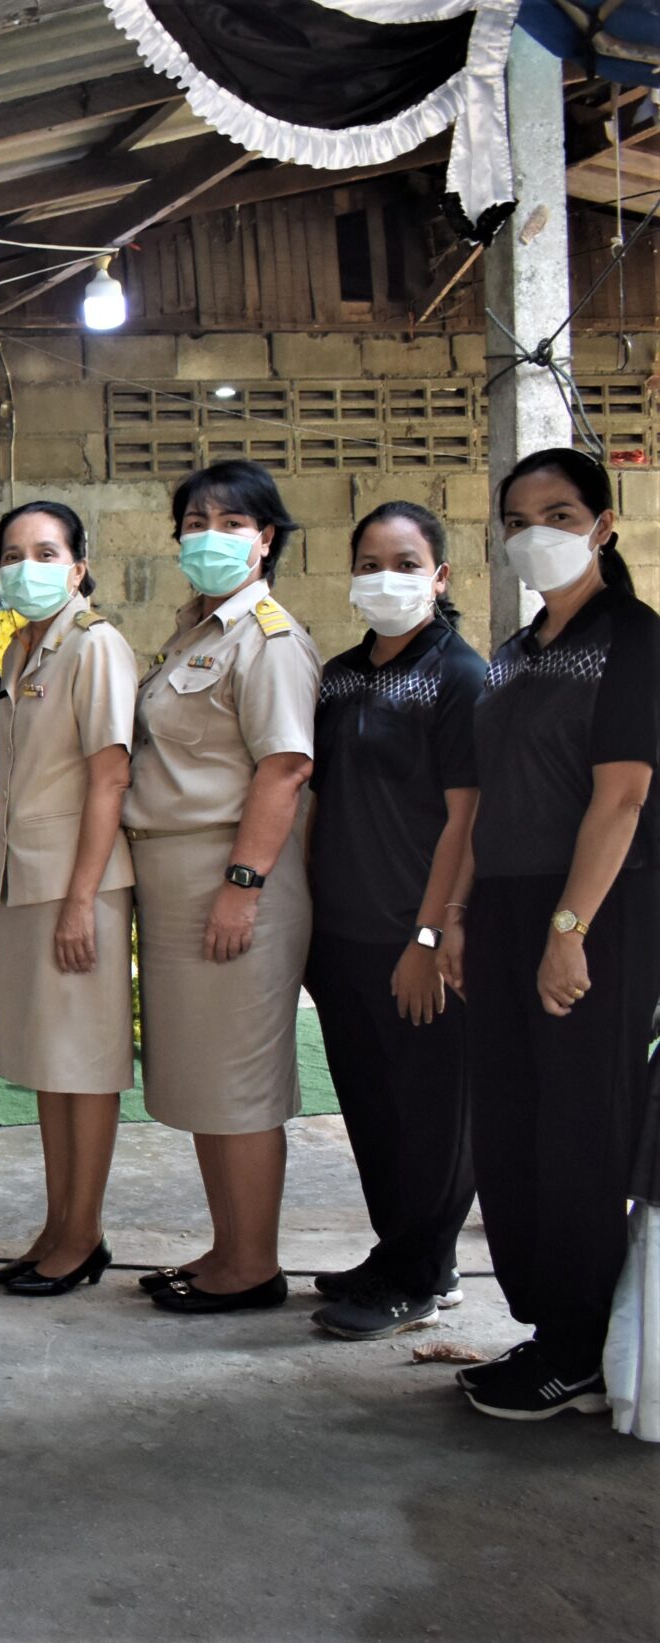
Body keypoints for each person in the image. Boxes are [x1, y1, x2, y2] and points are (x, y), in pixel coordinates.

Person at [455, 447, 658, 1419]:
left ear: (603, 525)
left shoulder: (634, 640)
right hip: (503, 904)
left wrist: (568, 929)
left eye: (560, 513)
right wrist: (457, 920)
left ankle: (578, 1345)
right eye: (517, 518)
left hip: (596, 910)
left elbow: (621, 798)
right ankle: (544, 1325)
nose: (535, 533)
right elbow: (488, 796)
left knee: (579, 1123)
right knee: (511, 1120)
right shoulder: (515, 649)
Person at [128, 460, 320, 1315]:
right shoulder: (196, 631)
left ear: (265, 538)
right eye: (195, 522)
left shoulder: (267, 637)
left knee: (240, 1085)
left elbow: (284, 769)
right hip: (181, 882)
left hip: (232, 879)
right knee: (211, 1079)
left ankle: (253, 1266)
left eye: (231, 522)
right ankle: (230, 1247)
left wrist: (242, 884)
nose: (210, 536)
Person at [302, 501, 483, 1341]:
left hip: (411, 933)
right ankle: (402, 1253)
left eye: (405, 564)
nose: (386, 579)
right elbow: (320, 795)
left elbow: (466, 817)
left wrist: (429, 935)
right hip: (342, 934)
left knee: (432, 1114)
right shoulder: (339, 676)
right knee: (372, 1107)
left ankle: (422, 1272)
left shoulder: (459, 676)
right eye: (370, 563)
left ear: (438, 576)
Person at [0, 502, 135, 1298]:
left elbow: (110, 776)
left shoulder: (94, 645)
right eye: (13, 554)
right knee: (52, 1063)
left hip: (78, 882)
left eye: (45, 553)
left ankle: (84, 1233)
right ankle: (59, 1220)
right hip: (25, 876)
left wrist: (82, 899)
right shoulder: (23, 647)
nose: (27, 567)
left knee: (86, 1063)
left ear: (78, 567)